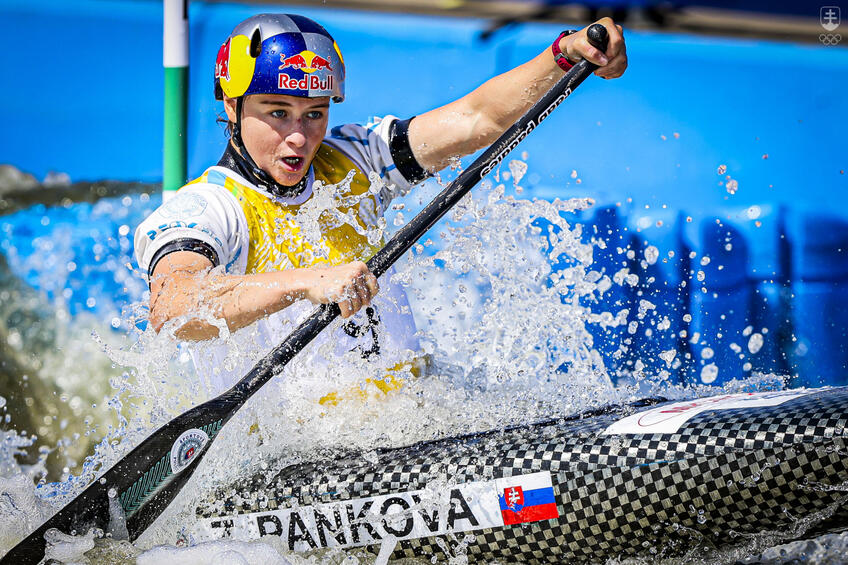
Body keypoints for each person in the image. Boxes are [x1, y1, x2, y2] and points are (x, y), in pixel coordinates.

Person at [134, 13, 627, 400]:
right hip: (289, 460)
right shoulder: (208, 207)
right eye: (277, 113)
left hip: (407, 418)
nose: (299, 137)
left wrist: (563, 55)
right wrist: (306, 281)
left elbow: (474, 119)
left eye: (315, 113)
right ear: (232, 105)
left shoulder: (356, 159)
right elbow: (173, 307)